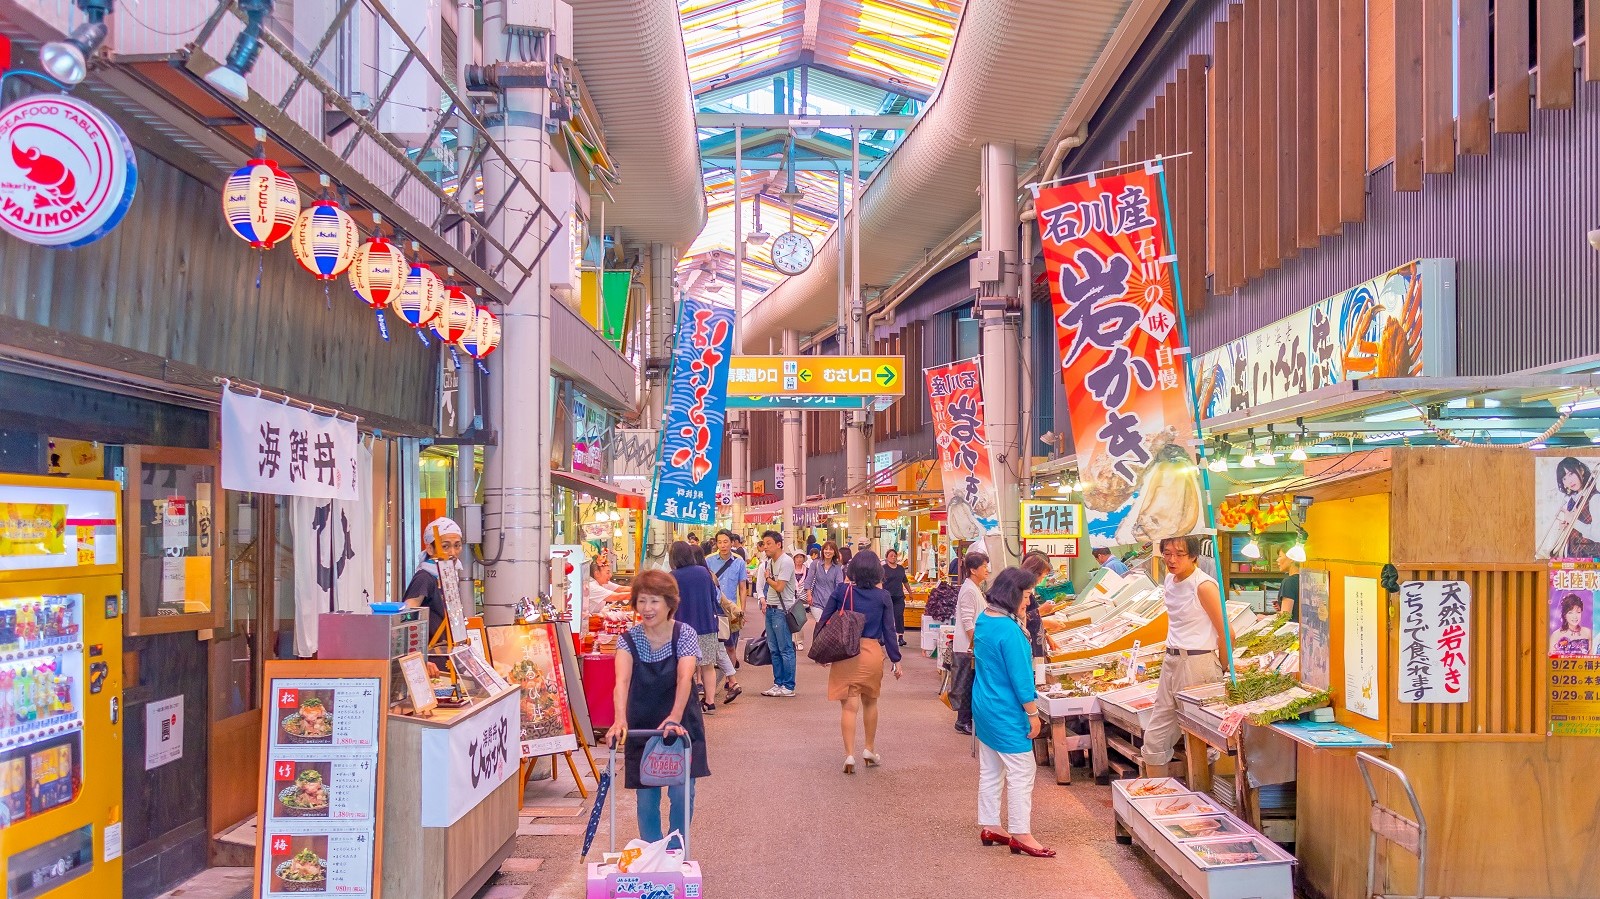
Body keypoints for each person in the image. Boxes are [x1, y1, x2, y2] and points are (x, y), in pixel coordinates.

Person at [604, 570, 709, 845]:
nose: (647, 609)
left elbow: (684, 677)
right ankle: (653, 852)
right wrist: (618, 720)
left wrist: (674, 717)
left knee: (681, 793)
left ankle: (676, 849)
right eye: (641, 601)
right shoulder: (628, 639)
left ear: (669, 603)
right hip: (643, 723)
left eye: (654, 601)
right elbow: (621, 682)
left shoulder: (684, 633)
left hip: (681, 720)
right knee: (646, 799)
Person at [972, 567, 1053, 857]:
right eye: (1028, 594)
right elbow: (1020, 677)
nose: (1029, 602)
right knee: (1022, 770)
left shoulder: (985, 619)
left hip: (983, 703)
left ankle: (991, 824)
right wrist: (1032, 713)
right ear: (1013, 593)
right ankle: (1021, 833)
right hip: (1005, 709)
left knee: (991, 768)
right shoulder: (1009, 629)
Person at [1142, 535, 1226, 777]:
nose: (1172, 559)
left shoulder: (1204, 586)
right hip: (1172, 660)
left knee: (1202, 737)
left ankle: (1205, 798)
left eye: (1179, 553)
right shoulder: (1169, 579)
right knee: (1156, 733)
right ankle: (1154, 797)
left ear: (1193, 556)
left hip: (1199, 662)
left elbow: (1226, 632)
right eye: (1167, 553)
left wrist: (1223, 667)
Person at [818, 550, 903, 773]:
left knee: (849, 706)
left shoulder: (842, 591)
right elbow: (890, 630)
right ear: (877, 571)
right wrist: (896, 660)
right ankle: (869, 749)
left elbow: (824, 618)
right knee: (870, 702)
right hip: (871, 652)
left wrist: (822, 651)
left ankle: (848, 755)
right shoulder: (882, 597)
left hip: (846, 652)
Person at [668, 541, 723, 716]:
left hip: (683, 628)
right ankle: (710, 702)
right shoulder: (704, 573)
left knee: (686, 669)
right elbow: (713, 597)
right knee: (708, 666)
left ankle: (687, 704)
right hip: (707, 624)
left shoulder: (673, 576)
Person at [404, 517, 464, 662]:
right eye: (445, 546)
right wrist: (419, 658)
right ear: (430, 549)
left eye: (457, 545)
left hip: (447, 654)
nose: (453, 552)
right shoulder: (424, 577)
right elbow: (406, 617)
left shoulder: (449, 575)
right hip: (431, 659)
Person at [951, 551, 991, 735]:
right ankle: (963, 721)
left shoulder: (974, 588)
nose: (987, 570)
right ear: (973, 570)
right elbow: (968, 620)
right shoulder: (968, 589)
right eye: (984, 566)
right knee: (966, 684)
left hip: (971, 644)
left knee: (969, 682)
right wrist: (974, 643)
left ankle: (966, 719)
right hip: (967, 646)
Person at [757, 530, 800, 696]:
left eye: (769, 543)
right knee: (773, 648)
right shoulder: (769, 562)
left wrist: (768, 579)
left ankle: (788, 686)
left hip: (782, 610)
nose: (765, 547)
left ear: (778, 544)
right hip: (771, 608)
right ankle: (778, 683)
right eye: (764, 543)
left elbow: (780, 587)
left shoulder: (786, 562)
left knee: (785, 648)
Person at [709, 530, 747, 704]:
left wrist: (742, 609)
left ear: (732, 543)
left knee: (731, 646)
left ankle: (728, 681)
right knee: (713, 645)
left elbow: (742, 587)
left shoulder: (739, 562)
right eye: (720, 542)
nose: (723, 545)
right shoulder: (708, 560)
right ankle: (725, 679)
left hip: (731, 610)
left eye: (726, 542)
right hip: (713, 608)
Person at [1548, 457, 1600, 557]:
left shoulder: (1595, 498)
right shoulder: (1572, 501)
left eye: (1571, 474)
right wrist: (1563, 528)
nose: (1569, 481)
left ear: (1581, 470)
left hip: (1592, 562)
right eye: (1564, 478)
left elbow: (1598, 535)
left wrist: (1573, 521)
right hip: (1573, 559)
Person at [804, 541, 845, 633]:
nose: (828, 551)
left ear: (834, 552)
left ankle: (818, 644)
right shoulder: (815, 564)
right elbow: (809, 580)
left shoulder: (837, 567)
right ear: (822, 551)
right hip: (816, 602)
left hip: (831, 603)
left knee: (827, 627)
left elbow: (839, 585)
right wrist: (809, 595)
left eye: (831, 549)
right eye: (826, 549)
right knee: (821, 624)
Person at [1018, 551, 1051, 657]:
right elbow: (1019, 620)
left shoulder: (1026, 588)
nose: (1027, 602)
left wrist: (1047, 635)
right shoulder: (1020, 590)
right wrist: (1041, 610)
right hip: (1029, 646)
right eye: (1043, 575)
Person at [583, 552, 627, 619]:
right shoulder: (592, 587)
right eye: (607, 572)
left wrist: (643, 588)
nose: (610, 575)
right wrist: (642, 593)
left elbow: (621, 589)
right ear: (597, 574)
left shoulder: (602, 582)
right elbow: (618, 596)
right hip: (587, 622)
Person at [882, 548, 910, 647]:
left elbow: (905, 581)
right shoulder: (883, 569)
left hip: (898, 596)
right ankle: (884, 637)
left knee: (899, 616)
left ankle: (900, 637)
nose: (893, 557)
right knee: (886, 617)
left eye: (895, 556)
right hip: (886, 597)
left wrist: (910, 592)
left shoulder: (901, 568)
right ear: (887, 557)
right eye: (891, 556)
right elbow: (879, 582)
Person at [1276, 548, 1302, 618]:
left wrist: (1264, 618)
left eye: (1280, 556)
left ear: (1291, 558)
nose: (1277, 560)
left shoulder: (1289, 582)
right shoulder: (1304, 579)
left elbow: (1285, 616)